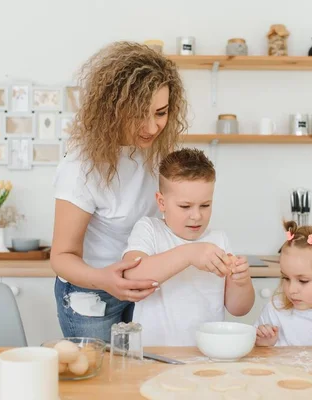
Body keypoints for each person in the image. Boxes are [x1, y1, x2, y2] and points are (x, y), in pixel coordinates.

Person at [50, 41, 190, 342]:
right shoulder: (80, 168)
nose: (152, 127)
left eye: (161, 112)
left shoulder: (158, 153)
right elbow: (61, 256)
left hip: (146, 287)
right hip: (92, 294)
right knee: (100, 385)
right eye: (139, 114)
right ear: (112, 110)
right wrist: (105, 279)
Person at [122, 148, 255, 346]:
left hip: (207, 353)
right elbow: (132, 276)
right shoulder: (149, 229)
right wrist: (189, 254)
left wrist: (241, 282)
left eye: (205, 205)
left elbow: (239, 309)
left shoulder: (219, 239)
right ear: (162, 202)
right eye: (185, 206)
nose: (196, 216)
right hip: (154, 354)